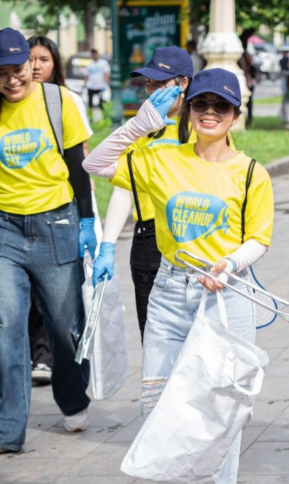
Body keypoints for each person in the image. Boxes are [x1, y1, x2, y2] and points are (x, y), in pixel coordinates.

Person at [83, 68, 274, 484]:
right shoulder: (160, 158)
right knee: (157, 406)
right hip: (169, 293)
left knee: (219, 412)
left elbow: (259, 238)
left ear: (235, 115)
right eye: (201, 103)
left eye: (221, 105)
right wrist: (139, 124)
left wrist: (231, 264)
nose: (210, 112)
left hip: (226, 296)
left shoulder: (250, 172)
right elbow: (93, 162)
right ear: (187, 109)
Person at [0, 28, 94, 460]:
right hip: (3, 229)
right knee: (2, 326)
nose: (11, 80)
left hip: (57, 222)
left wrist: (88, 222)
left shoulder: (60, 101)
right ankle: (0, 430)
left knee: (64, 325)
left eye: (18, 70)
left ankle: (73, 399)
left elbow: (78, 167)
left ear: (31, 65)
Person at [92, 46, 194, 342]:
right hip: (148, 240)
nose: (151, 90)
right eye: (148, 83)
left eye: (159, 83)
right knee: (153, 337)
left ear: (182, 84)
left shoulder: (203, 128)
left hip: (193, 237)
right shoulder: (141, 131)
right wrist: (107, 246)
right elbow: (126, 186)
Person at [24, 35, 95, 383]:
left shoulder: (67, 102)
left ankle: (62, 357)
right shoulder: (6, 104)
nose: (36, 66)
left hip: (61, 210)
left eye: (44, 60)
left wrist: (86, 214)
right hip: (17, 212)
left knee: (61, 294)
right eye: (31, 59)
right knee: (29, 290)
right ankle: (39, 355)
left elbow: (81, 154)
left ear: (56, 65)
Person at [239, 31, 258, 128]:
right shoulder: (249, 55)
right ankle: (248, 120)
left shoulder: (239, 57)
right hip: (250, 82)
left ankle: (247, 120)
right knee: (249, 103)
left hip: (245, 82)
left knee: (246, 102)